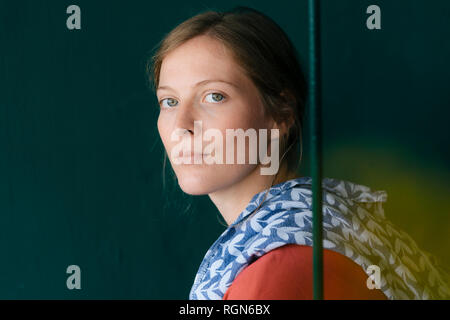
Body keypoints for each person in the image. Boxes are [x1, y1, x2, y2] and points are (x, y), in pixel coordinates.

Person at [146, 6, 450, 300]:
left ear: (281, 115)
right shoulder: (316, 223)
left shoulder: (281, 270)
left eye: (214, 96)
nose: (181, 125)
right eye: (169, 101)